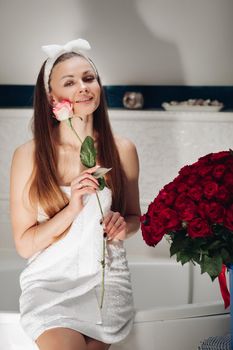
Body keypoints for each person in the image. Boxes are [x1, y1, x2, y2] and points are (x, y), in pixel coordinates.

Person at [10, 39, 141, 350]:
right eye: (69, 82)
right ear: (52, 96)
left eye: (89, 78)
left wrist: (124, 226)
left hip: (105, 286)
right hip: (49, 285)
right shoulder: (28, 155)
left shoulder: (122, 149)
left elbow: (136, 218)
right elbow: (25, 245)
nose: (83, 87)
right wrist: (72, 209)